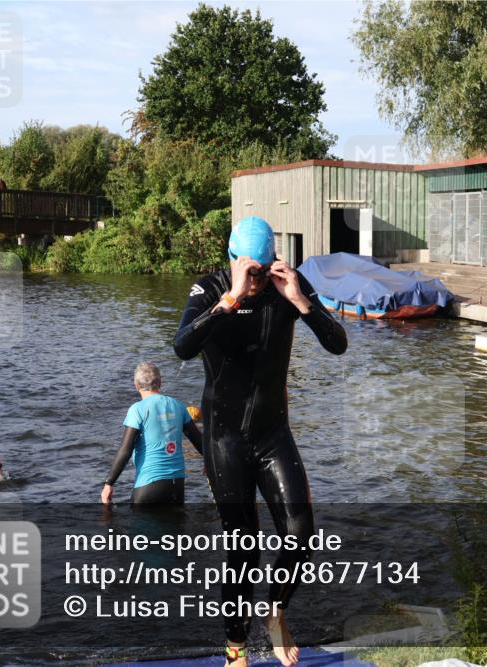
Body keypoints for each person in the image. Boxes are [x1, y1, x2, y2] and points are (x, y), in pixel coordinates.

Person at [173, 216, 347, 667]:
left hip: (272, 432)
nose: (257, 282)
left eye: (264, 271)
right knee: (243, 545)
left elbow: (339, 343)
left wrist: (301, 301)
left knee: (300, 530)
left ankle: (275, 612)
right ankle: (235, 649)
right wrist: (229, 300)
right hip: (223, 438)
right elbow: (181, 347)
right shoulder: (210, 289)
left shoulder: (285, 285)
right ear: (233, 261)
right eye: (251, 271)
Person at [101, 362, 204, 506]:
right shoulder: (178, 406)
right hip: (177, 486)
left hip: (148, 487)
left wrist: (109, 483)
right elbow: (199, 441)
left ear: (136, 385)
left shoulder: (137, 410)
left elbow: (125, 450)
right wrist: (210, 463)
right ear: (160, 383)